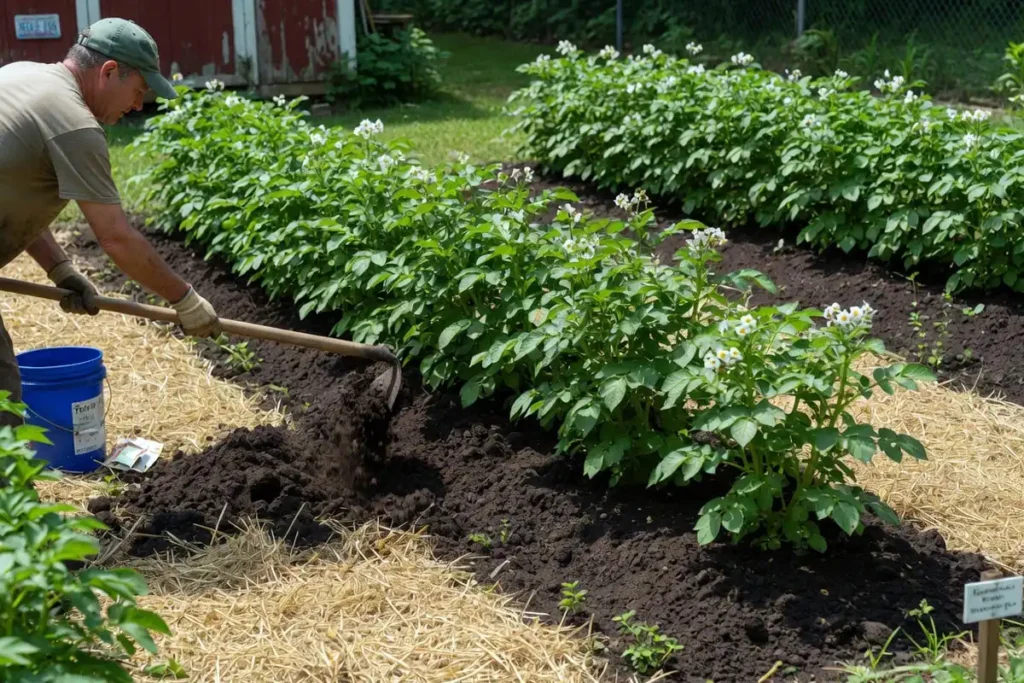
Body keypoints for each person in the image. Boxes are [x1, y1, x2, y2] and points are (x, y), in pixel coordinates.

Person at [0, 18, 221, 424]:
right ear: (108, 72)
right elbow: (116, 237)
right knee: (2, 403)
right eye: (138, 92)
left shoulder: (20, 76)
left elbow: (13, 192)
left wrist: (60, 269)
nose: (138, 105)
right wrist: (184, 299)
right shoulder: (74, 123)